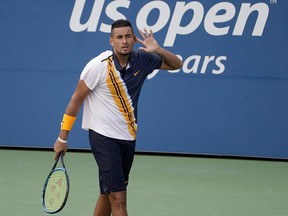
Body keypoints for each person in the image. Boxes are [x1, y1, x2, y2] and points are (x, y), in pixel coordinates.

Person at [54, 19, 182, 216]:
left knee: (107, 193)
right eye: (119, 37)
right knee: (119, 199)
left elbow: (176, 64)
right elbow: (75, 100)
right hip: (103, 137)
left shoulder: (143, 59)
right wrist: (63, 137)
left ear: (133, 39)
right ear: (111, 41)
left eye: (128, 36)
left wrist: (158, 49)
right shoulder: (98, 66)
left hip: (128, 137)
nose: (124, 41)